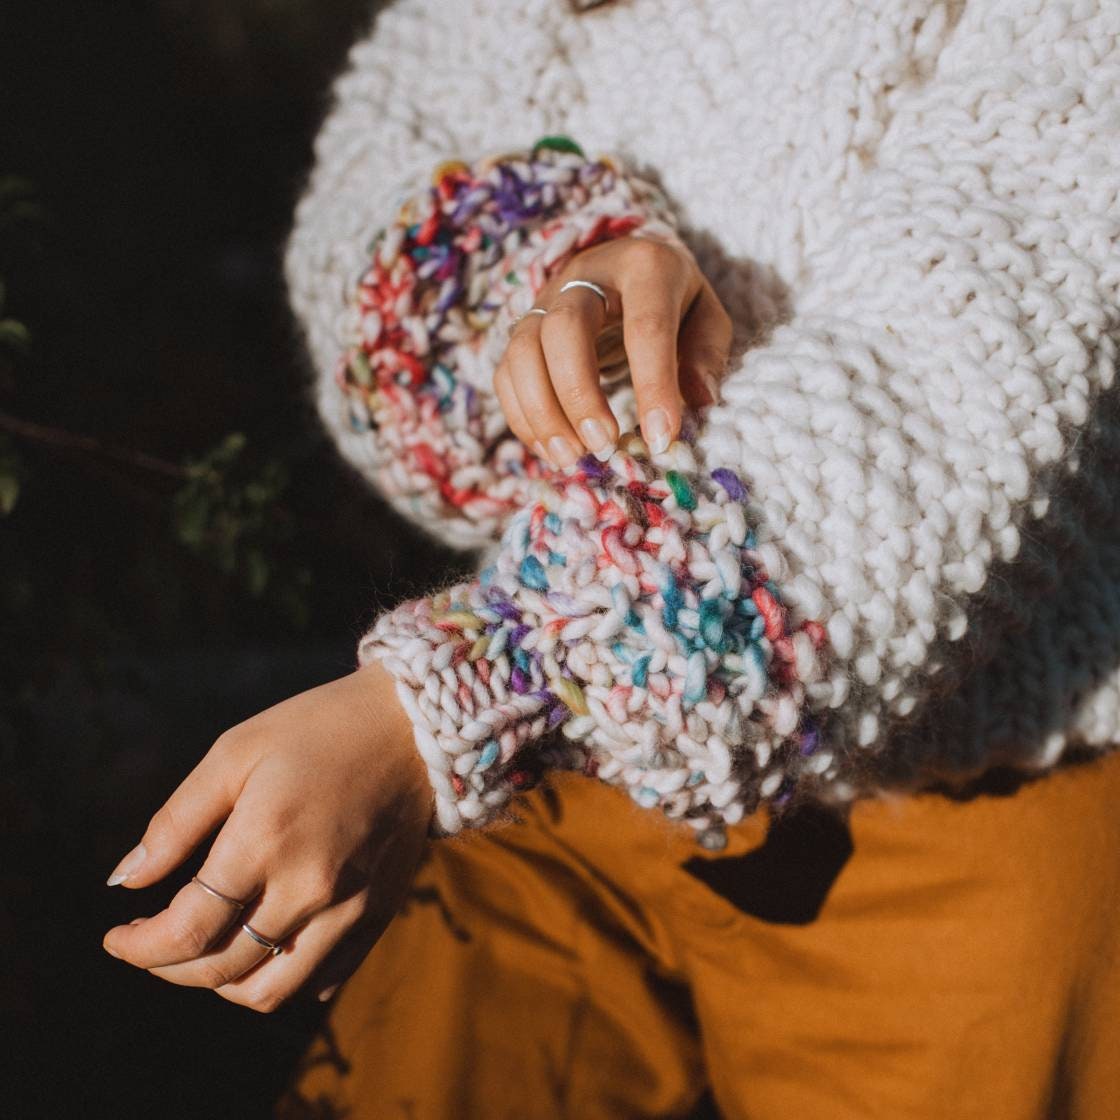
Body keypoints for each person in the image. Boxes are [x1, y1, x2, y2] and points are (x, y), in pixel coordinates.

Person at [103, 0, 1120, 1115]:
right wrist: (563, 282)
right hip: (572, 782)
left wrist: (462, 698)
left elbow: (957, 383)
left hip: (967, 805)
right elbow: (374, 193)